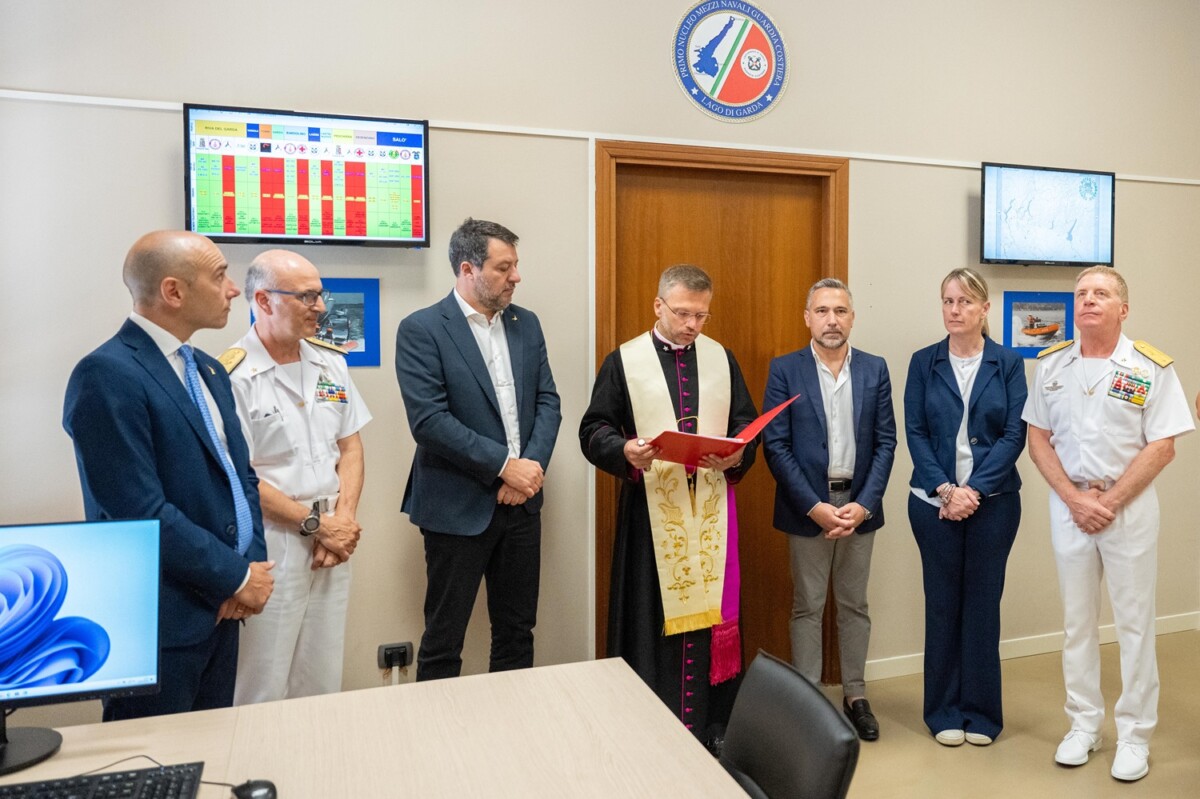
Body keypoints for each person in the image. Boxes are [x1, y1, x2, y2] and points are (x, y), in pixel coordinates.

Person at [62, 230, 274, 720]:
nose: (233, 289)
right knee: (149, 770)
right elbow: (139, 509)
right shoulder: (106, 374)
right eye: (220, 275)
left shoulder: (208, 369)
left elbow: (240, 479)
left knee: (213, 757)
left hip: (223, 611)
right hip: (161, 620)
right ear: (174, 292)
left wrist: (249, 570)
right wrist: (234, 575)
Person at [1023, 265, 1193, 781]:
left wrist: (1108, 502)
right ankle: (1083, 725)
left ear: (1123, 308)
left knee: (1135, 624)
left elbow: (1163, 446)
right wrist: (1076, 500)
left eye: (1101, 294)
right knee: (1077, 623)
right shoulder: (1051, 364)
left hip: (1129, 508)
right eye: (1081, 294)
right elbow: (1038, 440)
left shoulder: (1149, 367)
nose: (1088, 301)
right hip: (1070, 505)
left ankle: (1136, 734)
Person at [579, 264, 758, 745]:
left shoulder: (722, 358)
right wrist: (624, 451)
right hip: (651, 520)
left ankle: (710, 726)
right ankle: (648, 727)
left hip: (712, 512)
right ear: (659, 306)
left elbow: (746, 426)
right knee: (651, 617)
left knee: (710, 621)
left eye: (702, 315)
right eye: (683, 313)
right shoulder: (625, 361)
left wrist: (738, 454)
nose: (693, 325)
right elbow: (593, 429)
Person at [395, 218, 561, 681]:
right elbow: (429, 422)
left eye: (516, 265)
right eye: (504, 267)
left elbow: (548, 401)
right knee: (444, 640)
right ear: (468, 269)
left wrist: (528, 470)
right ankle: (441, 744)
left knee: (517, 633)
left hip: (522, 506)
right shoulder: (422, 329)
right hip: (456, 506)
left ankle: (508, 737)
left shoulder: (526, 324)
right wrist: (506, 467)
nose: (516, 277)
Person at [225, 250, 371, 704]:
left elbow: (350, 445)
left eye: (319, 295)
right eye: (307, 296)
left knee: (322, 675)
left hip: (332, 540)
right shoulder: (231, 374)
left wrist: (342, 520)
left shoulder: (331, 362)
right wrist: (316, 525)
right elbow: (240, 476)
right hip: (274, 541)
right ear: (264, 301)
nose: (321, 307)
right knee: (262, 679)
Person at [762, 278, 896, 742]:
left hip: (859, 505)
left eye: (840, 310)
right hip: (809, 508)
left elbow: (885, 443)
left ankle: (856, 695)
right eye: (822, 311)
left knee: (854, 605)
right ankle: (810, 702)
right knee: (807, 607)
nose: (832, 320)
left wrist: (863, 504)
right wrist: (815, 506)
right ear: (807, 317)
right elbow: (775, 446)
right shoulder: (785, 370)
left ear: (852, 317)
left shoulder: (875, 369)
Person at [904, 268, 1026, 747]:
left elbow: (1016, 432)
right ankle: (943, 713)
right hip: (931, 505)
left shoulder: (1008, 363)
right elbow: (913, 430)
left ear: (984, 309)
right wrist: (945, 490)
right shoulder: (923, 362)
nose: (955, 311)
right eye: (947, 302)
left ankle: (981, 714)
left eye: (964, 302)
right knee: (941, 607)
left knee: (982, 608)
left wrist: (972, 489)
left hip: (993, 504)